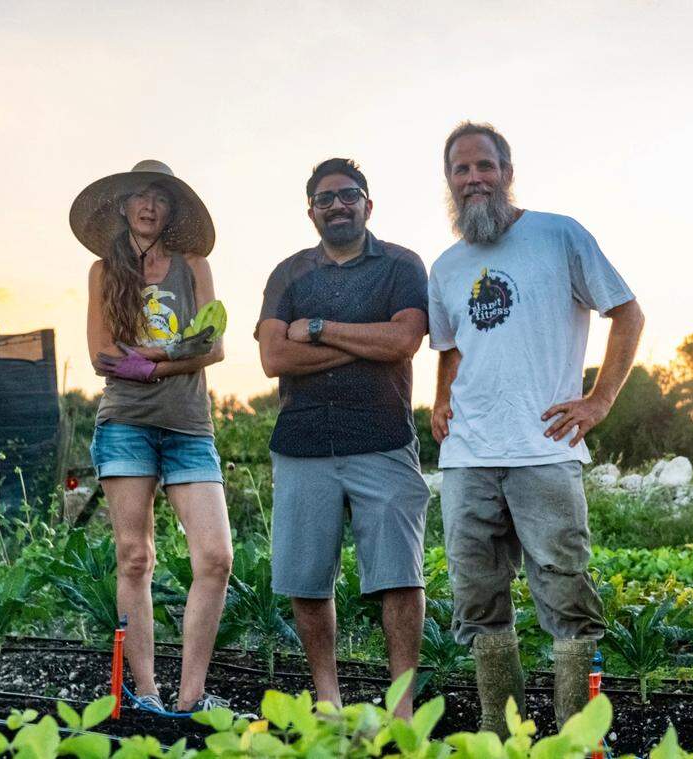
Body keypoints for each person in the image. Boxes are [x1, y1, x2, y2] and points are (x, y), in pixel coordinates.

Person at [427, 123, 646, 733]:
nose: (474, 179)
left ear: (507, 172)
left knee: (566, 595)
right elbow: (450, 346)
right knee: (478, 601)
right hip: (468, 456)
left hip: (544, 449)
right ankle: (504, 738)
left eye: (484, 166)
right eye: (461, 170)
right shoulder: (446, 266)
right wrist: (440, 401)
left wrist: (600, 400)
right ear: (448, 182)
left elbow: (627, 311)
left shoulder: (558, 235)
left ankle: (574, 738)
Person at [255, 158, 430, 718]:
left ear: (368, 205)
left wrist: (320, 329)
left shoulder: (402, 265)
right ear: (311, 212)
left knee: (400, 578)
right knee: (308, 581)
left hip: (382, 437)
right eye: (325, 198)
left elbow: (403, 340)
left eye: (348, 195)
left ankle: (401, 709)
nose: (338, 205)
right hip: (303, 441)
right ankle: (327, 702)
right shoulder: (287, 274)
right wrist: (361, 342)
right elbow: (273, 356)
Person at [71, 159, 232, 713]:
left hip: (189, 427)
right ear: (122, 206)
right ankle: (146, 695)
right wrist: (176, 355)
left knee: (215, 557)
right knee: (135, 557)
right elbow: (102, 356)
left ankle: (190, 700)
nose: (148, 207)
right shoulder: (103, 272)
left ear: (170, 211)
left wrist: (153, 357)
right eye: (139, 197)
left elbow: (213, 345)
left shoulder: (194, 264)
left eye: (159, 199)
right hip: (126, 427)